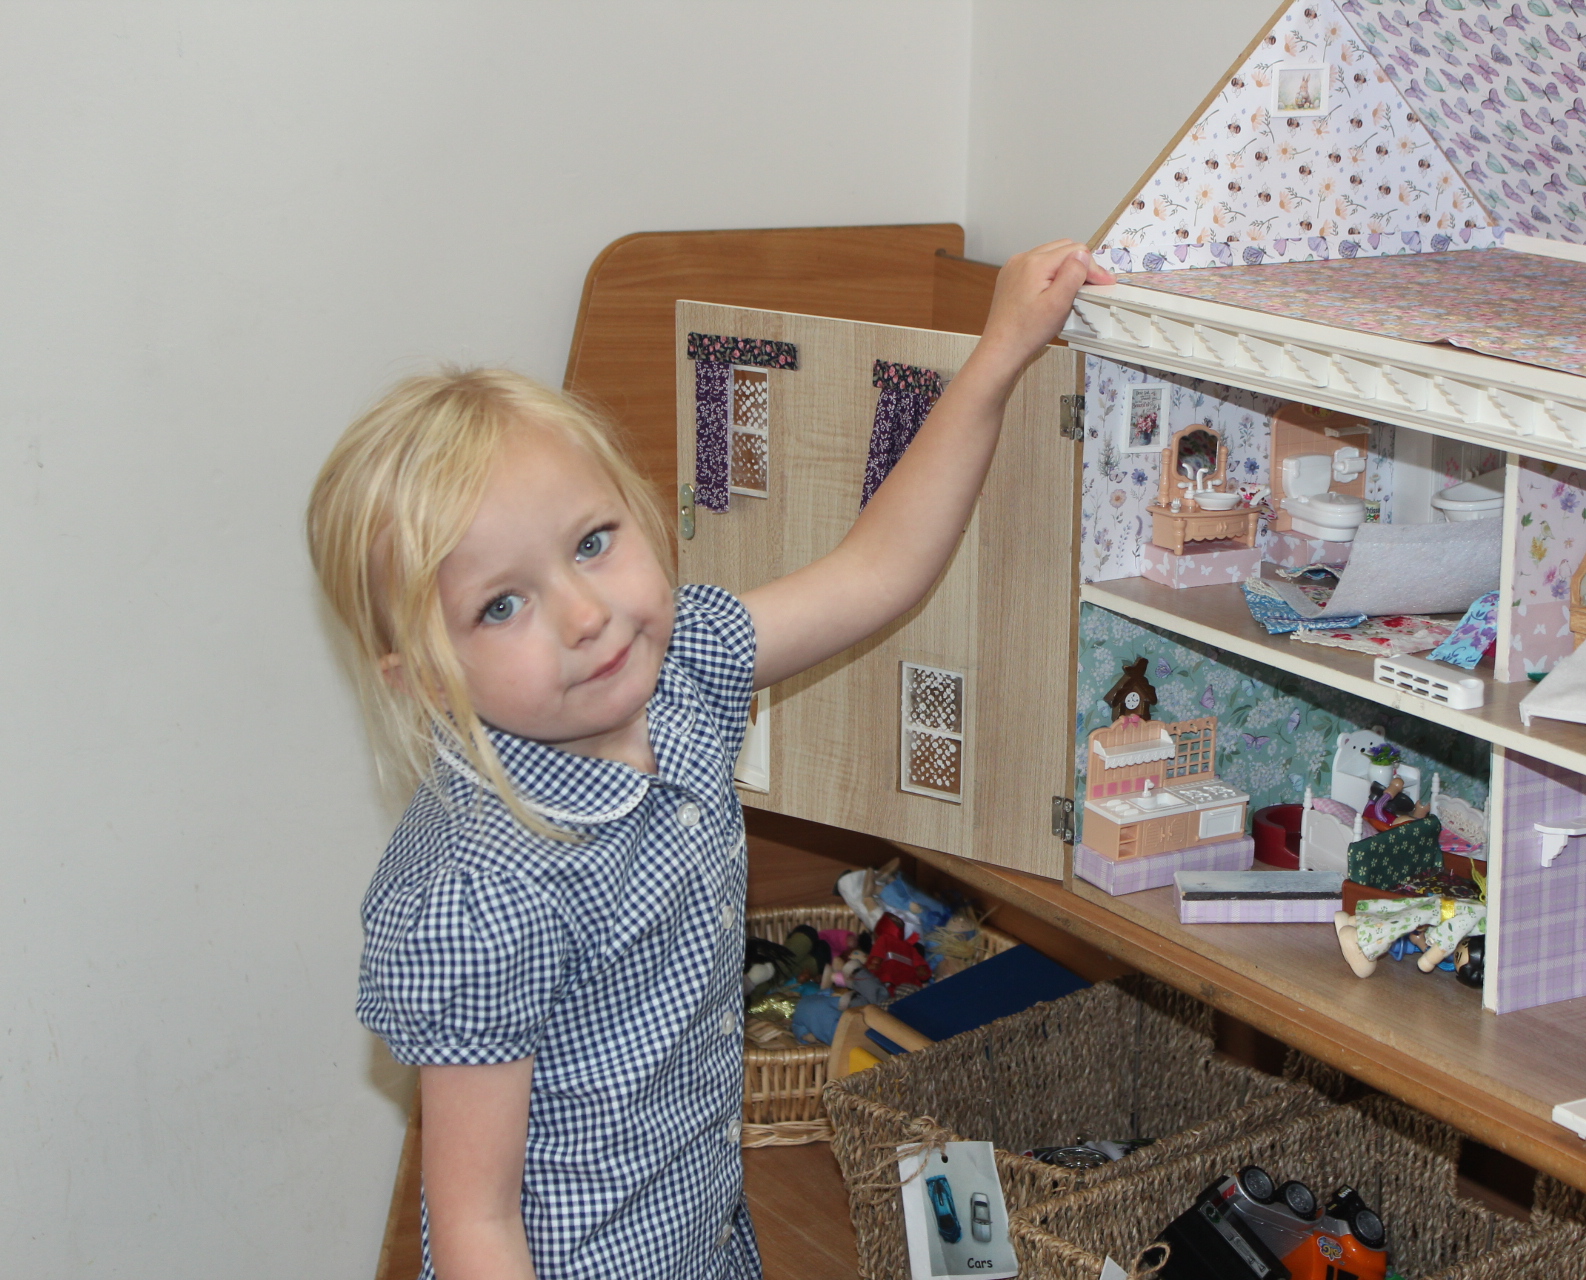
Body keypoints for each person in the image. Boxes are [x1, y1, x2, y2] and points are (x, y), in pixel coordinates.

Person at [306, 240, 1112, 1280]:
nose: (585, 614)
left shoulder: (681, 665)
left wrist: (999, 352)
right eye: (502, 604)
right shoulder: (480, 891)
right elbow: (475, 1226)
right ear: (422, 673)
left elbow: (878, 569)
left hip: (707, 1238)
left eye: (592, 542)